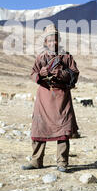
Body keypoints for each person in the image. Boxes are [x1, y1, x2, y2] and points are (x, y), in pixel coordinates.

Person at [21, 24, 80, 173]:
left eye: (55, 40)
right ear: (45, 42)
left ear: (58, 41)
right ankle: (36, 161)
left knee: (63, 130)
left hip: (61, 98)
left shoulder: (66, 57)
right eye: (49, 40)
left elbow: (74, 74)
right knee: (39, 128)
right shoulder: (41, 57)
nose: (52, 43)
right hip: (44, 97)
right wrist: (41, 73)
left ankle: (62, 162)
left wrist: (61, 73)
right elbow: (33, 73)